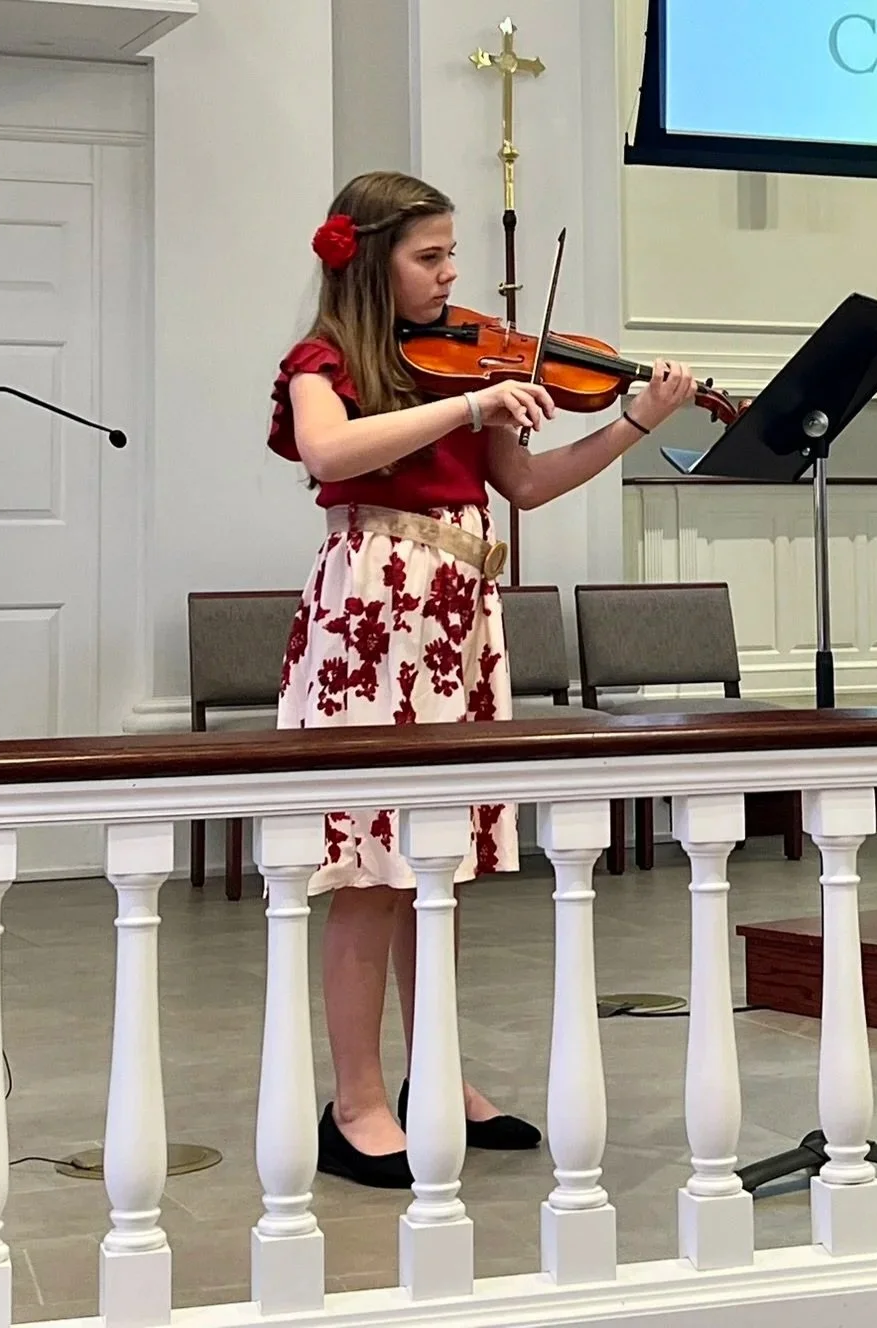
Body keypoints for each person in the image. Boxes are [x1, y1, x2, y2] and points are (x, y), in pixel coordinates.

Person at [267, 170, 697, 1190]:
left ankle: (437, 1077)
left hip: (458, 615)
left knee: (438, 870)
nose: (452, 274)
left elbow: (528, 482)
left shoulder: (473, 362)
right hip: (371, 611)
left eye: (452, 253)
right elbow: (328, 445)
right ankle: (357, 1101)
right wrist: (464, 401)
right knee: (369, 875)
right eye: (430, 256)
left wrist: (639, 419)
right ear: (367, 257)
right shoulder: (325, 359)